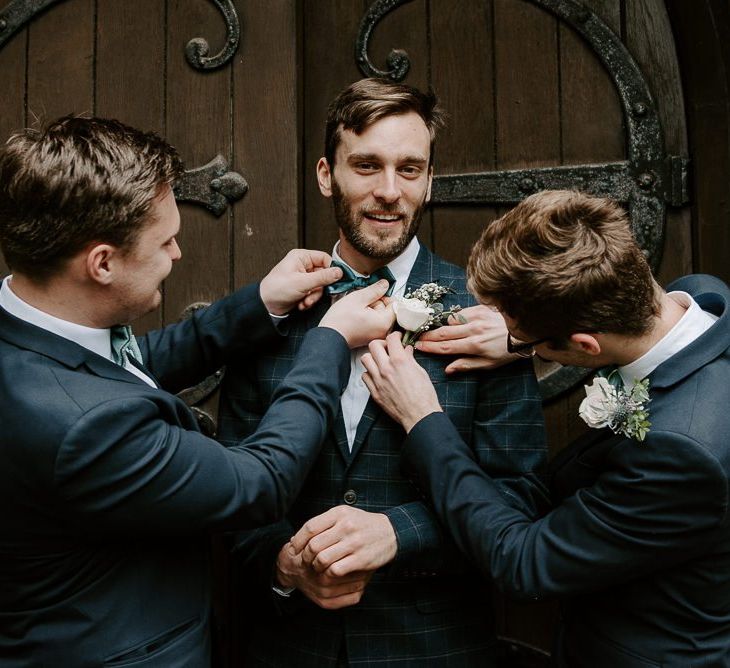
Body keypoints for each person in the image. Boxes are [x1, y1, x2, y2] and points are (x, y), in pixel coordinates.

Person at [0, 115, 395, 668]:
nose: (179, 254)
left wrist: (262, 301)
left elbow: (130, 367)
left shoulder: (28, 325)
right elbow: (261, 481)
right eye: (165, 241)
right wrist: (329, 341)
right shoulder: (83, 427)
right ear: (103, 263)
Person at [216, 78, 547, 666]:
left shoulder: (488, 319)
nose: (389, 191)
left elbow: (519, 496)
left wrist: (400, 533)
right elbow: (230, 496)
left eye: (409, 169)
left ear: (429, 179)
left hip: (434, 646)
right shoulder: (267, 313)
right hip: (287, 646)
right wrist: (283, 563)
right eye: (367, 166)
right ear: (326, 175)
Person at [349, 189, 730, 667]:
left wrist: (423, 418)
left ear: (585, 346)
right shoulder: (701, 303)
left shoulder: (682, 451)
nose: (513, 343)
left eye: (525, 342)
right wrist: (522, 340)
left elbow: (524, 562)